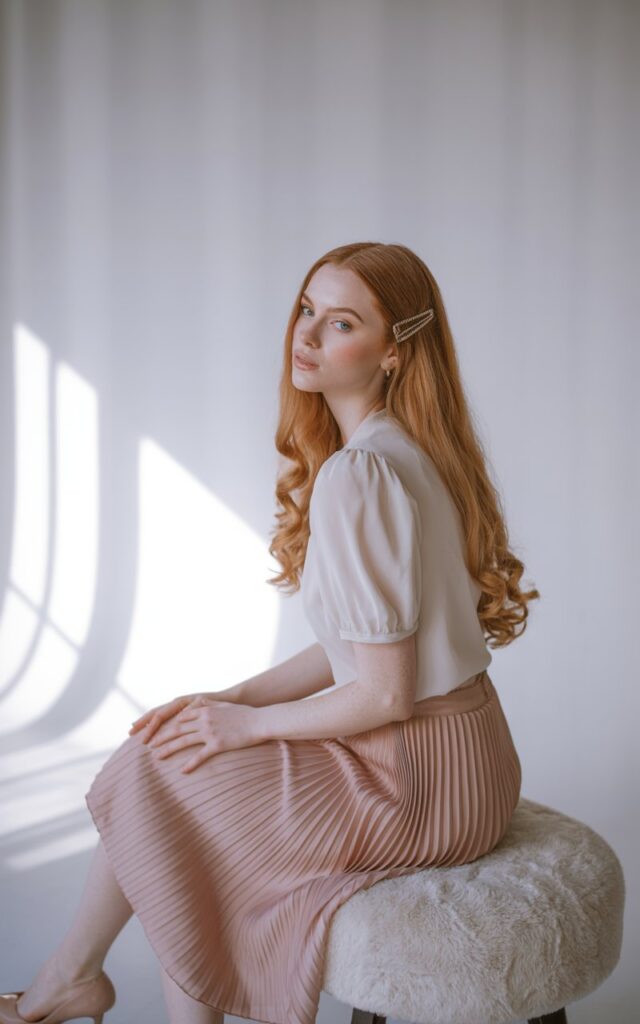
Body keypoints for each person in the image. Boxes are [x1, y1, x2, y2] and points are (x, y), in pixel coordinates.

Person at [0, 241, 538, 1024]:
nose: (308, 335)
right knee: (171, 753)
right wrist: (231, 697)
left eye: (341, 321)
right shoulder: (407, 453)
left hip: (416, 781)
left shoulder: (361, 475)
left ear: (394, 350)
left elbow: (385, 692)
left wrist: (245, 726)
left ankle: (68, 981)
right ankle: (72, 976)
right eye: (306, 310)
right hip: (472, 759)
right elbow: (359, 646)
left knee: (162, 777)